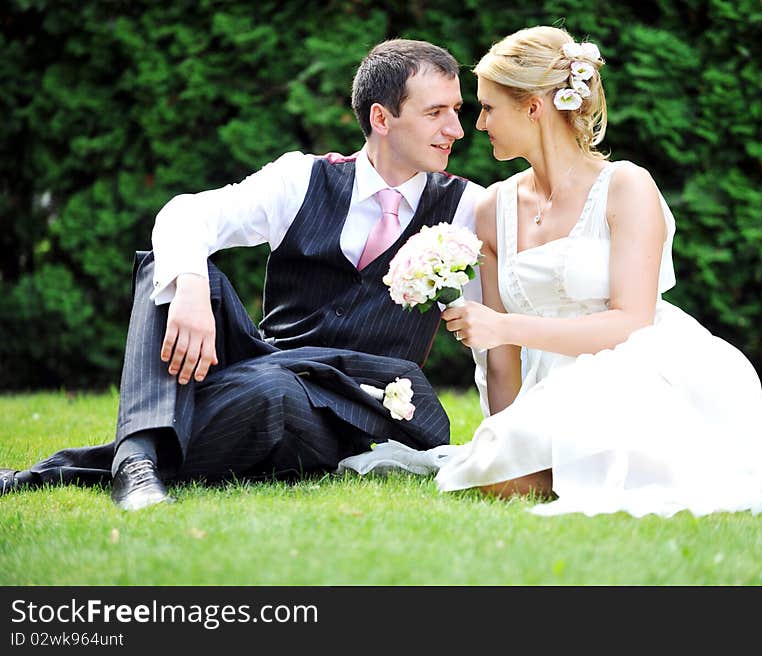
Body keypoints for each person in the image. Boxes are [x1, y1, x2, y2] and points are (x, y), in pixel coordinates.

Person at [342, 25, 762, 518]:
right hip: (548, 389)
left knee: (607, 470)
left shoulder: (626, 187)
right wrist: (497, 434)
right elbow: (499, 356)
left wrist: (505, 327)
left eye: (487, 108)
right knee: (496, 478)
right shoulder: (493, 208)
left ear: (533, 107)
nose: (473, 125)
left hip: (635, 370)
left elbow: (630, 323)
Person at [0, 39, 484, 511]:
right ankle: (138, 462)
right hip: (265, 365)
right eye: (435, 112)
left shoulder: (468, 208)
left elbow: (500, 327)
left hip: (356, 408)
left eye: (456, 110)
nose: (456, 130)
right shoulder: (301, 178)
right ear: (381, 118)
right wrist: (189, 286)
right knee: (165, 268)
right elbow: (185, 214)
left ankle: (103, 465)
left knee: (270, 393)